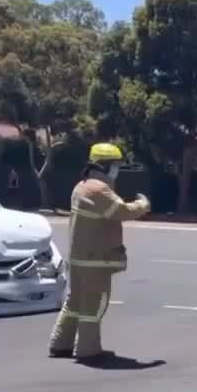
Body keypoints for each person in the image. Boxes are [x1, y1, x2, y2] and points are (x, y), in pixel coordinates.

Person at [48, 142, 151, 360]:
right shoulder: (99, 189)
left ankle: (61, 343)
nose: (116, 170)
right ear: (102, 165)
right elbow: (121, 211)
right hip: (96, 261)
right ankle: (88, 349)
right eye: (115, 165)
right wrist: (143, 205)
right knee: (94, 305)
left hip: (78, 259)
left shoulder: (81, 186)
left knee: (74, 302)